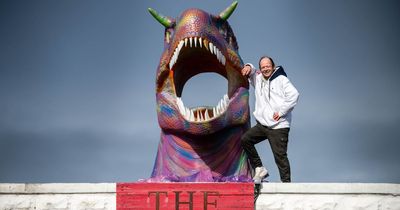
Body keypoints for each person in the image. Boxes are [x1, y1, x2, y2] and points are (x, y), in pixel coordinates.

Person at [241, 56, 299, 183]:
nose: (265, 69)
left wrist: (282, 112)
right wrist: (249, 66)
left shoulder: (281, 80)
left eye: (268, 66)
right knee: (246, 140)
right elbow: (251, 71)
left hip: (279, 125)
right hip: (263, 125)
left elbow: (294, 95)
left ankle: (286, 185)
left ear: (273, 67)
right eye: (263, 67)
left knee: (280, 157)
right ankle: (259, 168)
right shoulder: (258, 78)